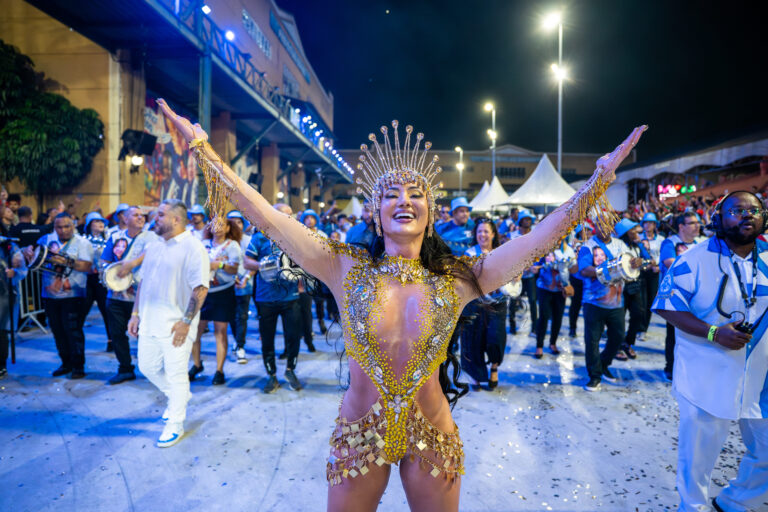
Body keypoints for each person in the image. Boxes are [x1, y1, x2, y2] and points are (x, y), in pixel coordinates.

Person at [158, 98, 645, 511]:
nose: (404, 201)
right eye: (390, 194)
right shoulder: (340, 266)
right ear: (374, 212)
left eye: (417, 194)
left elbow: (539, 238)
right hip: (358, 434)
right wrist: (205, 148)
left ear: (430, 212)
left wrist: (599, 178)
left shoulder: (459, 277)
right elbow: (264, 216)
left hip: (431, 434)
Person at [653, 191, 768, 512]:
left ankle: (734, 501)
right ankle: (692, 507)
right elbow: (666, 305)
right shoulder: (693, 258)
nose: (746, 216)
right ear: (718, 218)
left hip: (762, 375)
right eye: (737, 211)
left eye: (754, 210)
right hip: (707, 372)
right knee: (698, 457)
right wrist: (714, 332)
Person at [128, 199, 209, 447]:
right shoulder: (154, 246)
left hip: (176, 325)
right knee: (147, 367)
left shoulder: (193, 248)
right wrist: (135, 314)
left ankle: (175, 423)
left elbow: (200, 288)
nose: (155, 218)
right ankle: (179, 397)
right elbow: (144, 283)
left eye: (161, 214)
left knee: (176, 375)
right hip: (149, 323)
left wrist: (186, 322)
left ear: (176, 219)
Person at [243, 203, 304, 393]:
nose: (286, 218)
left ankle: (290, 370)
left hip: (291, 296)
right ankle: (271, 375)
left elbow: (306, 261)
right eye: (282, 215)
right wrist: (265, 265)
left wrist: (301, 278)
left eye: (289, 215)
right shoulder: (260, 237)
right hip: (265, 298)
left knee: (293, 337)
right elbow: (246, 262)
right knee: (267, 339)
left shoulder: (296, 238)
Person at [25, 213, 93, 378]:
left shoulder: (83, 243)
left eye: (67, 226)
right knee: (57, 331)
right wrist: (27, 251)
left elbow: (87, 266)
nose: (63, 230)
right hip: (50, 294)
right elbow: (33, 256)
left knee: (73, 331)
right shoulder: (45, 240)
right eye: (59, 227)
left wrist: (67, 262)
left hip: (74, 294)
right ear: (54, 227)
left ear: (73, 225)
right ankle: (65, 363)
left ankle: (78, 366)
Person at [577, 220, 642, 391]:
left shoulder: (620, 244)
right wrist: (607, 271)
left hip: (617, 302)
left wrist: (635, 263)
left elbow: (630, 263)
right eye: (600, 225)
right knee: (592, 340)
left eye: (607, 225)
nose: (604, 228)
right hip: (593, 302)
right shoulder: (587, 246)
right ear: (595, 228)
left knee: (618, 337)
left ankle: (603, 364)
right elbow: (584, 270)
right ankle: (595, 376)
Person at [100, 206, 157, 385]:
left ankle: (153, 369)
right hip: (116, 296)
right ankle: (125, 368)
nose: (141, 218)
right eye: (136, 215)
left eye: (142, 215)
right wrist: (109, 278)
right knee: (117, 334)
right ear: (125, 218)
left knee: (146, 334)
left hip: (141, 298)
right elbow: (104, 261)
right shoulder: (116, 237)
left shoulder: (152, 238)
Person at [188, 219, 242, 385]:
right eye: (214, 225)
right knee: (195, 331)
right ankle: (197, 364)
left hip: (223, 293)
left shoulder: (232, 245)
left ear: (227, 228)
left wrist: (218, 265)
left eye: (221, 225)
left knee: (220, 332)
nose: (217, 228)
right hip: (202, 292)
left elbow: (234, 268)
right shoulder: (202, 244)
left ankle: (219, 370)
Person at [460, 219, 508, 389]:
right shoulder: (469, 253)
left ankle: (494, 367)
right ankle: (476, 376)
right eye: (479, 231)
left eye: (486, 231)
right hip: (475, 302)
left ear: (493, 234)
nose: (482, 235)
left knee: (496, 336)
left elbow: (511, 272)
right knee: (473, 339)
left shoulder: (502, 252)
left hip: (498, 302)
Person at [659, 211, 703, 381]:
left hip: (697, 297)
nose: (697, 226)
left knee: (695, 333)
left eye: (697, 222)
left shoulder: (701, 243)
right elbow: (670, 262)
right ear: (681, 226)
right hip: (675, 298)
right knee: (674, 334)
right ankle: (670, 367)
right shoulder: (670, 242)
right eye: (692, 223)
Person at [615, 219, 656, 360]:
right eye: (633, 230)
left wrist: (640, 245)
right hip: (620, 285)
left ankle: (628, 343)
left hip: (635, 284)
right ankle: (617, 345)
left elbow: (651, 260)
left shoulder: (636, 246)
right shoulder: (617, 246)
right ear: (626, 233)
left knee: (638, 314)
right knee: (619, 317)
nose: (637, 231)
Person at [533, 240, 576, 358]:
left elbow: (573, 270)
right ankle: (539, 346)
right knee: (543, 316)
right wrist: (534, 268)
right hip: (544, 288)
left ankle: (553, 343)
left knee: (558, 317)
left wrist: (575, 259)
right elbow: (535, 264)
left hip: (560, 289)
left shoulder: (569, 250)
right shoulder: (544, 247)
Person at [226, 210, 253, 364]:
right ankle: (237, 341)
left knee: (241, 316)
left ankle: (240, 346)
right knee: (231, 317)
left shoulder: (248, 240)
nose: (235, 224)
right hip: (227, 285)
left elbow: (254, 263)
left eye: (239, 221)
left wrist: (246, 277)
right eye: (231, 221)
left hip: (244, 283)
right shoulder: (224, 241)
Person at [81, 212, 111, 351]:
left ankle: (111, 341)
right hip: (87, 280)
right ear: (89, 225)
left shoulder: (108, 239)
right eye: (96, 221)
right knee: (82, 311)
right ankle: (76, 343)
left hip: (102, 280)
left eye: (102, 221)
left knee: (106, 311)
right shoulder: (82, 240)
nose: (100, 224)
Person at [298, 208, 326, 346]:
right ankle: (307, 334)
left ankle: (320, 321)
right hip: (303, 275)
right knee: (306, 306)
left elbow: (327, 253)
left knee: (319, 302)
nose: (309, 220)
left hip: (318, 274)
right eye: (306, 217)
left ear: (316, 219)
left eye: (312, 217)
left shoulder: (321, 234)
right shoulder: (299, 234)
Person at [0, 237, 27, 378]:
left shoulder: (9, 246)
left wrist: (14, 273)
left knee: (1, 331)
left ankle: (1, 365)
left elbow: (22, 269)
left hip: (3, 294)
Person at [509, 212, 538, 335]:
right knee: (513, 301)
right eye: (525, 219)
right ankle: (512, 325)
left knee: (532, 301)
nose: (528, 221)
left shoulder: (535, 235)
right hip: (515, 276)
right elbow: (508, 255)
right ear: (520, 221)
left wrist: (535, 266)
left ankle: (534, 327)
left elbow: (538, 254)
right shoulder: (512, 236)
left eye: (529, 219)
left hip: (530, 275)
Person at [639, 212, 663, 340]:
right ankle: (637, 327)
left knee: (649, 302)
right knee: (639, 302)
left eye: (651, 223)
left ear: (655, 225)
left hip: (654, 273)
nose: (648, 225)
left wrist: (657, 264)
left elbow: (663, 255)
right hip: (640, 272)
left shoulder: (660, 240)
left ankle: (643, 329)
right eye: (646, 223)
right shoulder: (638, 237)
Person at [568, 224, 591, 338]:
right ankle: (573, 328)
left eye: (589, 230)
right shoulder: (574, 244)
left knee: (590, 306)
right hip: (576, 278)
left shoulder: (594, 244)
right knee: (575, 305)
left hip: (590, 280)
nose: (587, 232)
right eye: (584, 230)